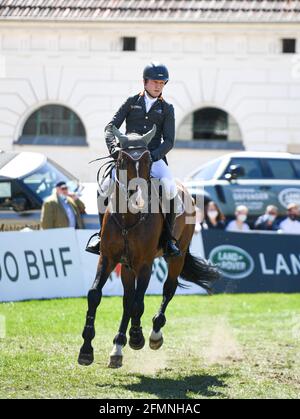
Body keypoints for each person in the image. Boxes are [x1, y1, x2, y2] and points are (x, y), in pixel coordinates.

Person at [86, 62, 180, 257]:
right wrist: (114, 150)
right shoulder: (131, 102)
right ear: (145, 82)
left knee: (170, 187)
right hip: (127, 158)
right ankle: (100, 235)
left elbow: (169, 141)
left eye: (162, 83)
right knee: (103, 186)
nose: (158, 86)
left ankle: (168, 239)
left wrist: (151, 156)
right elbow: (110, 128)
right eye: (155, 82)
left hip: (153, 158)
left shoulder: (167, 108)